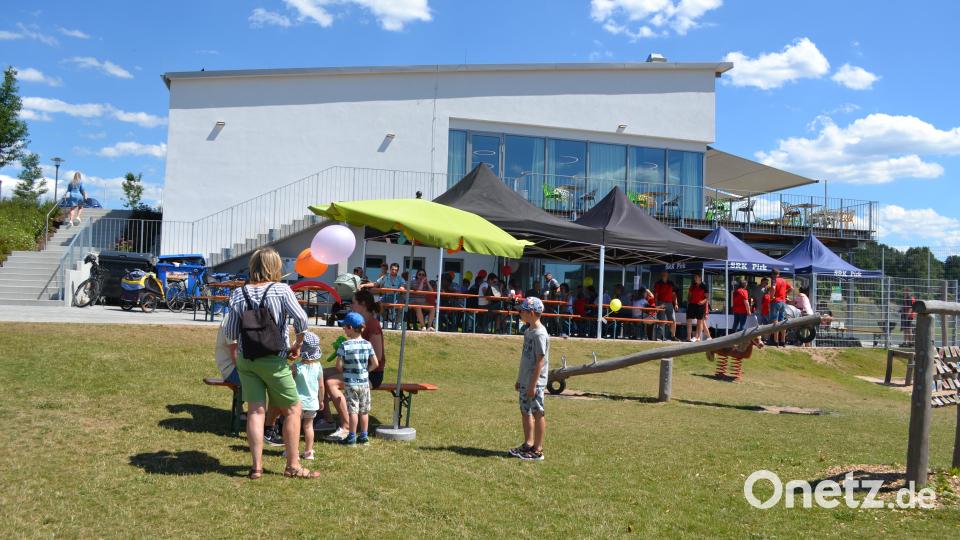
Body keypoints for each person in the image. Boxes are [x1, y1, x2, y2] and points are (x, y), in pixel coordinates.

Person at [224, 247, 319, 479]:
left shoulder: (238, 293)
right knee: (293, 409)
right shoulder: (281, 289)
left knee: (256, 411)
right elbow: (301, 319)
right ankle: (293, 465)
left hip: (248, 359)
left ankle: (256, 467)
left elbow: (230, 332)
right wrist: (297, 344)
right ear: (275, 266)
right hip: (274, 360)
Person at [508, 297, 549, 462]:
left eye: (522, 311)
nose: (520, 313)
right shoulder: (528, 331)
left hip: (535, 383)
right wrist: (520, 379)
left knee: (538, 412)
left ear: (531, 313)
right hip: (525, 381)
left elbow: (540, 361)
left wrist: (533, 385)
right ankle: (528, 444)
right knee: (525, 411)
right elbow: (525, 358)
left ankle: (538, 450)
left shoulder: (540, 334)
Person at [335, 312, 379, 445]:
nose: (343, 329)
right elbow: (375, 363)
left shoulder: (344, 345)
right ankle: (364, 436)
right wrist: (365, 371)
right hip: (364, 383)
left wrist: (345, 370)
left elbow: (338, 366)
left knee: (353, 411)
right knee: (364, 411)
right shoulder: (367, 344)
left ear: (351, 328)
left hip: (350, 383)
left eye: (344, 327)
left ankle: (352, 437)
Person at [291, 332, 324, 460]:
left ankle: (292, 452)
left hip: (297, 403)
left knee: (295, 427)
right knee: (309, 427)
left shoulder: (295, 367)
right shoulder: (318, 367)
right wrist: (321, 400)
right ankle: (309, 452)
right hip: (312, 403)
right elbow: (321, 386)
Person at [376, 263, 405, 329]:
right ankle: (385, 321)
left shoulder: (400, 278)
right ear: (390, 269)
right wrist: (364, 285)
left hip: (396, 299)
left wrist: (402, 287)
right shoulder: (384, 277)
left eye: (396, 270)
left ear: (398, 271)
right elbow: (376, 284)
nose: (394, 271)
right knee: (379, 304)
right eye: (392, 269)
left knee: (400, 306)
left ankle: (397, 323)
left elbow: (403, 286)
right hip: (385, 298)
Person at [770, 269, 793, 347]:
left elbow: (773, 288)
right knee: (782, 321)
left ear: (772, 274)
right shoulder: (784, 280)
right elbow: (791, 288)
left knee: (775, 321)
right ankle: (783, 341)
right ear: (778, 274)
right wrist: (785, 294)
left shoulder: (774, 280)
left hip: (776, 301)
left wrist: (771, 296)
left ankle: (776, 341)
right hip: (783, 302)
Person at [653, 271, 679, 341]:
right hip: (661, 303)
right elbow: (656, 295)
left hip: (669, 303)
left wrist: (676, 304)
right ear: (661, 274)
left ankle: (673, 336)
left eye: (666, 273)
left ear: (668, 274)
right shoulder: (658, 283)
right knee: (661, 320)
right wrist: (656, 305)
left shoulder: (671, 283)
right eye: (663, 273)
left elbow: (674, 295)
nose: (664, 274)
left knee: (673, 320)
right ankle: (660, 337)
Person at [686, 274, 710, 342]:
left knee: (699, 321)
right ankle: (688, 337)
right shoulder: (692, 286)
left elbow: (707, 298)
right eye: (694, 277)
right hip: (692, 305)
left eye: (696, 277)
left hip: (700, 306)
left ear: (700, 278)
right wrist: (688, 302)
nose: (695, 278)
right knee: (689, 320)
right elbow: (689, 295)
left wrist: (702, 302)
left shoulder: (704, 286)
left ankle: (698, 337)